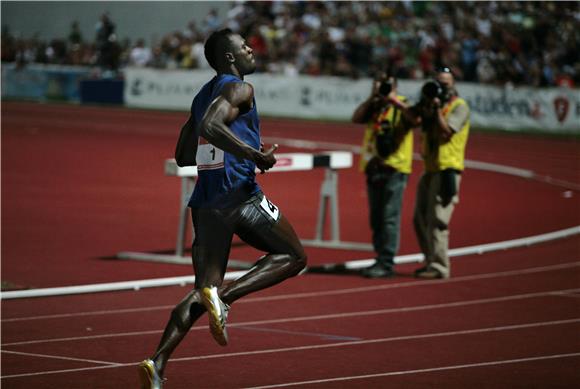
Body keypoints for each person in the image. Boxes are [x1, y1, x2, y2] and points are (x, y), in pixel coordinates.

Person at [138, 28, 307, 388]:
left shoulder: (202, 95)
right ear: (230, 57)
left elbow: (183, 154)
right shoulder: (239, 88)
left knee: (202, 290)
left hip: (205, 202)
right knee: (293, 256)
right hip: (240, 195)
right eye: (245, 46)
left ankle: (157, 363)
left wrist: (215, 144)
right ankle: (225, 298)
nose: (251, 49)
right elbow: (212, 126)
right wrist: (254, 154)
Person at [409, 67, 470, 279]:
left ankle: (440, 267)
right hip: (431, 168)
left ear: (453, 84)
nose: (441, 87)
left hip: (447, 170)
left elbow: (446, 131)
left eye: (445, 83)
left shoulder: (459, 106)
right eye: (438, 82)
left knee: (438, 220)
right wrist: (425, 104)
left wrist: (435, 110)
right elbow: (413, 120)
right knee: (419, 218)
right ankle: (430, 261)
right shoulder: (432, 104)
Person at [352, 73, 414, 278]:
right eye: (376, 85)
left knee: (389, 218)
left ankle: (386, 262)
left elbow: (415, 119)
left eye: (384, 86)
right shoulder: (375, 106)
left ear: (395, 86)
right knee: (376, 218)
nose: (380, 89)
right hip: (373, 167)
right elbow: (356, 118)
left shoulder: (402, 105)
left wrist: (393, 100)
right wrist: (373, 98)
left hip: (394, 168)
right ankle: (380, 258)